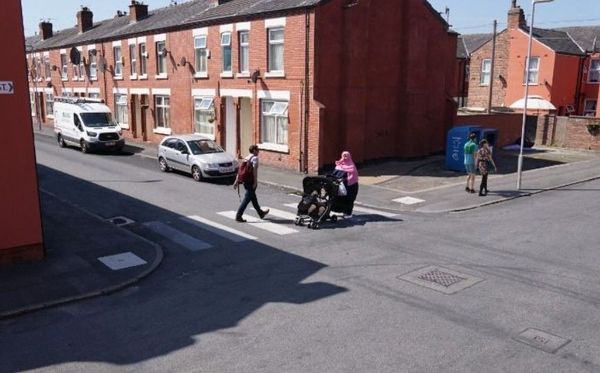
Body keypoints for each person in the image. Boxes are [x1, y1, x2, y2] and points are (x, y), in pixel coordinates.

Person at [234, 144, 269, 222]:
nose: (258, 151)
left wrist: (236, 181)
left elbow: (240, 171)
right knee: (246, 199)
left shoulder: (246, 158)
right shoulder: (255, 158)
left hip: (245, 181)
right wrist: (255, 182)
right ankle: (238, 216)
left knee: (253, 198)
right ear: (254, 151)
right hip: (251, 181)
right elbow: (254, 171)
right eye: (257, 150)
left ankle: (261, 213)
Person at [335, 151, 359, 218]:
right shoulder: (340, 164)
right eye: (343, 155)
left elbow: (354, 176)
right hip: (342, 185)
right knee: (340, 198)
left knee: (350, 199)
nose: (345, 157)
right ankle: (339, 211)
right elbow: (336, 171)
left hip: (351, 186)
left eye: (346, 156)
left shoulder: (352, 166)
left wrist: (346, 179)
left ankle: (348, 213)